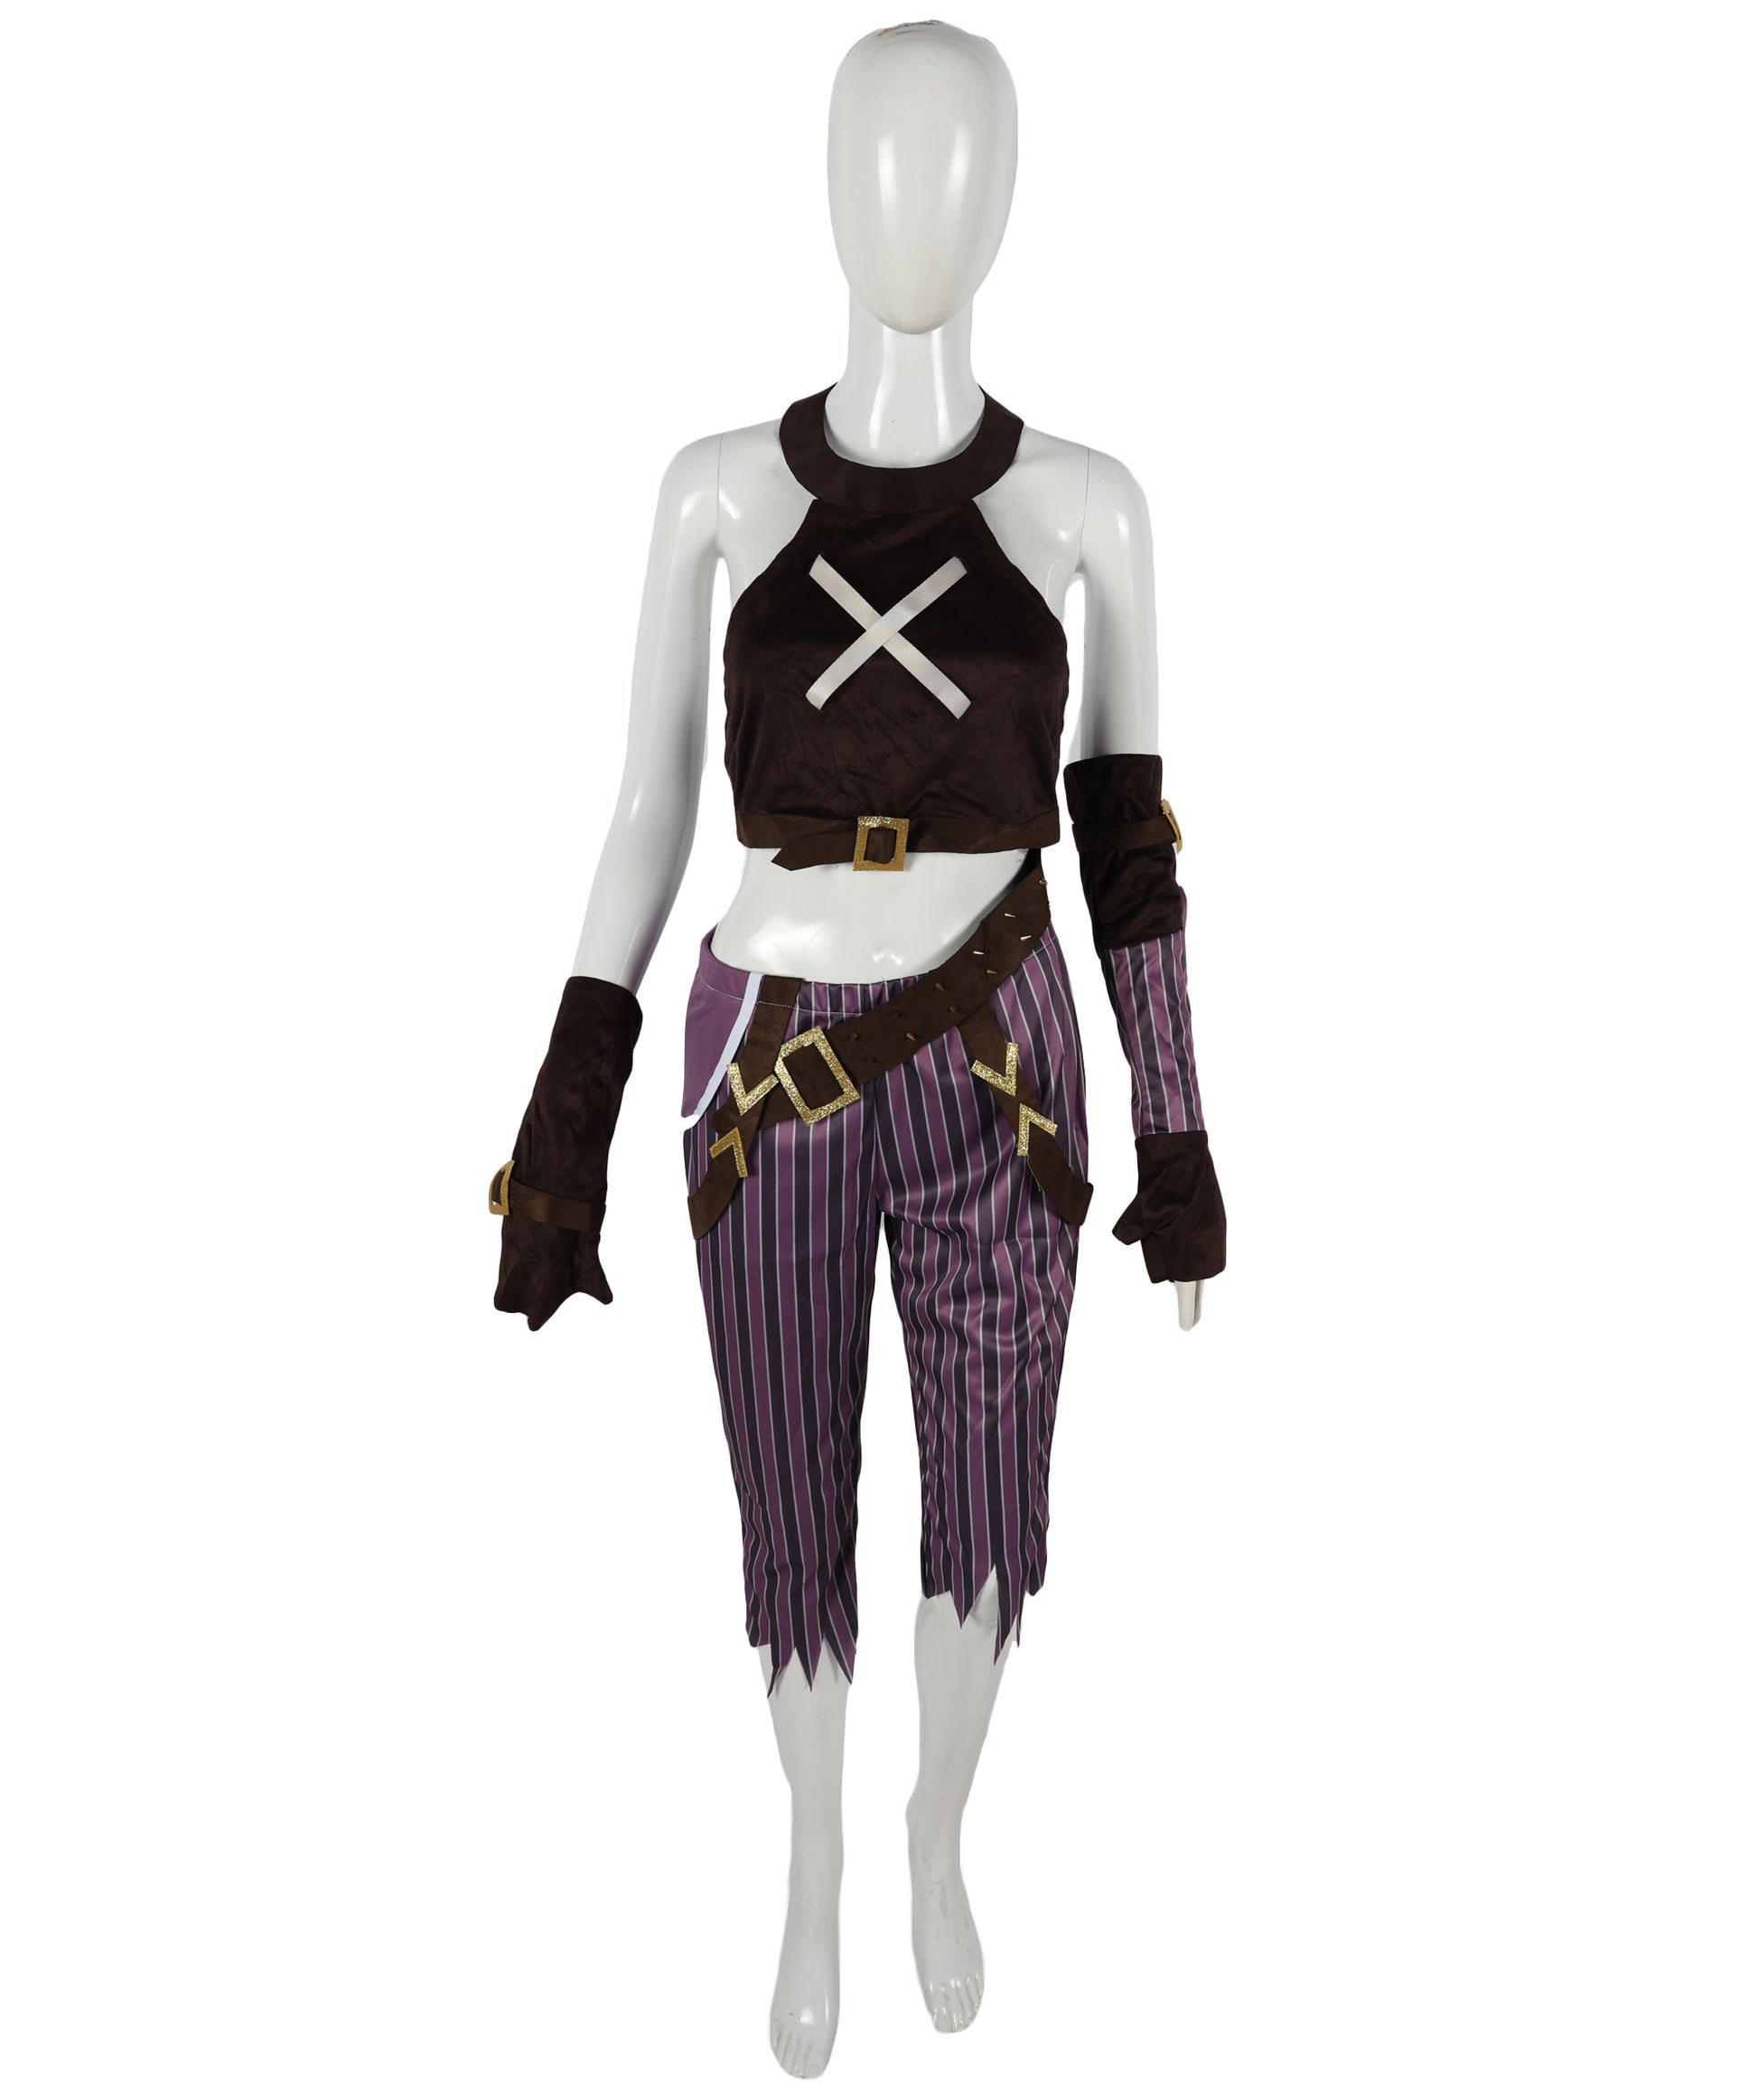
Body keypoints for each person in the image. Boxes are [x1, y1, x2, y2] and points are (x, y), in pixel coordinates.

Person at [489, 22, 1224, 2078]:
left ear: (1009, 193)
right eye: (887, 155)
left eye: (961, 158)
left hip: (1004, 1055)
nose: (923, 198)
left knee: (989, 1472)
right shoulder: (714, 489)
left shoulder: (1089, 506)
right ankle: (809, 1843)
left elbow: (1128, 842)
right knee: (788, 1477)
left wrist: (1176, 1128)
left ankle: (934, 1827)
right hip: (763, 1062)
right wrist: (568, 1110)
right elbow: (646, 809)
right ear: (827, 181)